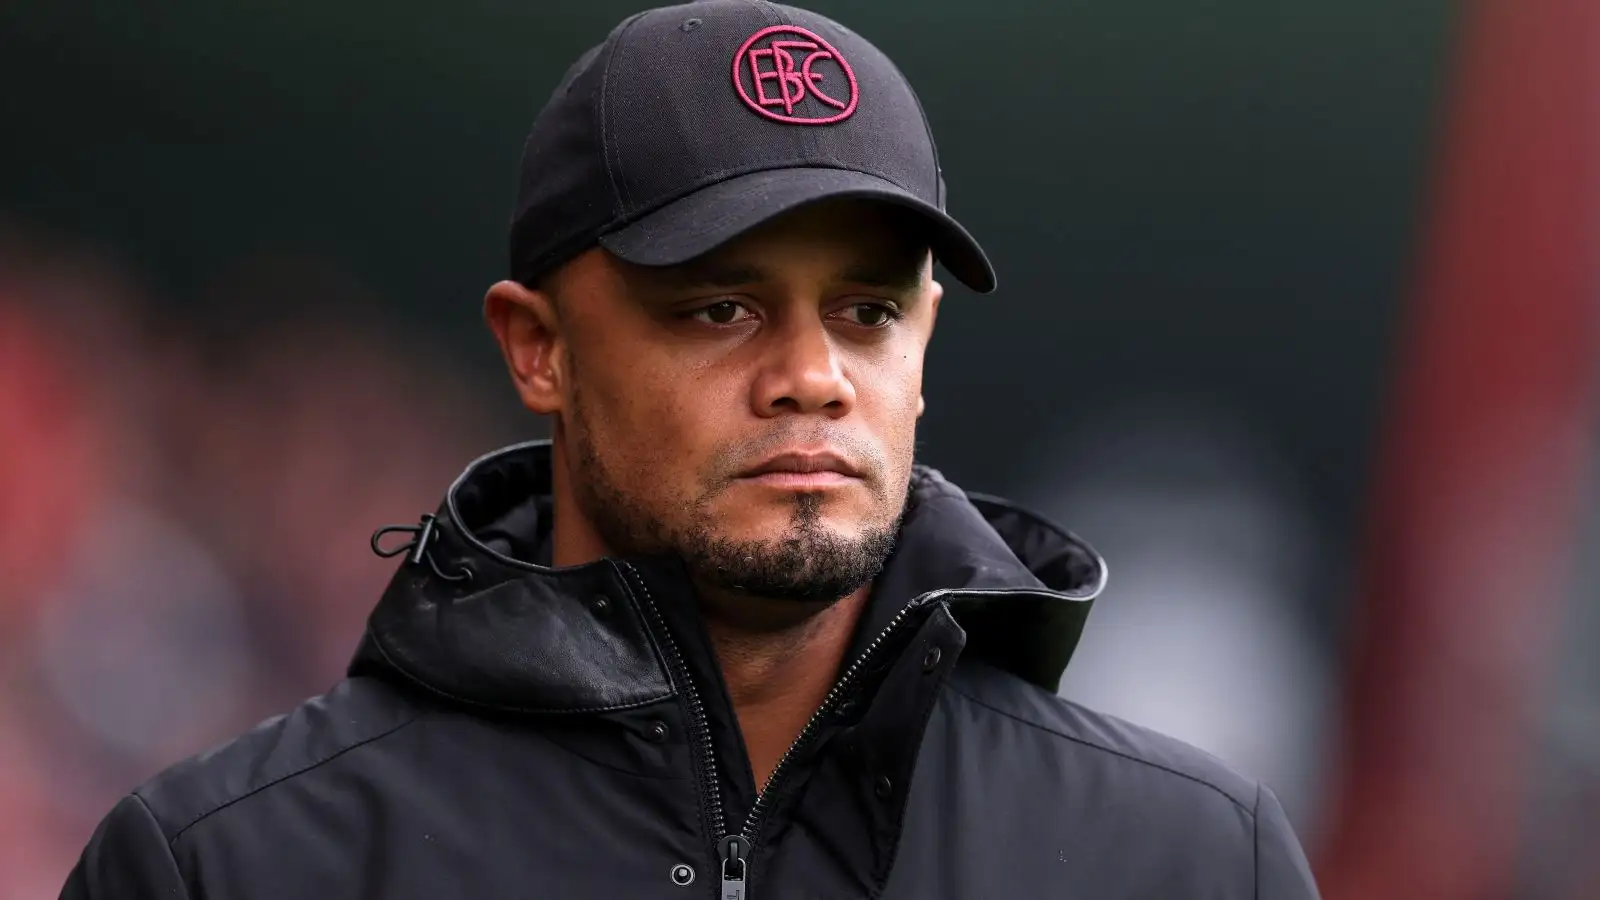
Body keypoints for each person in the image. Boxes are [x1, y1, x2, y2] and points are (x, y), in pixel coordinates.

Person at [61, 2, 1322, 897]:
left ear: (923, 343)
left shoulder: (1198, 859)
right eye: (719, 308)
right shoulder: (231, 864)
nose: (812, 377)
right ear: (537, 347)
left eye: (867, 311)